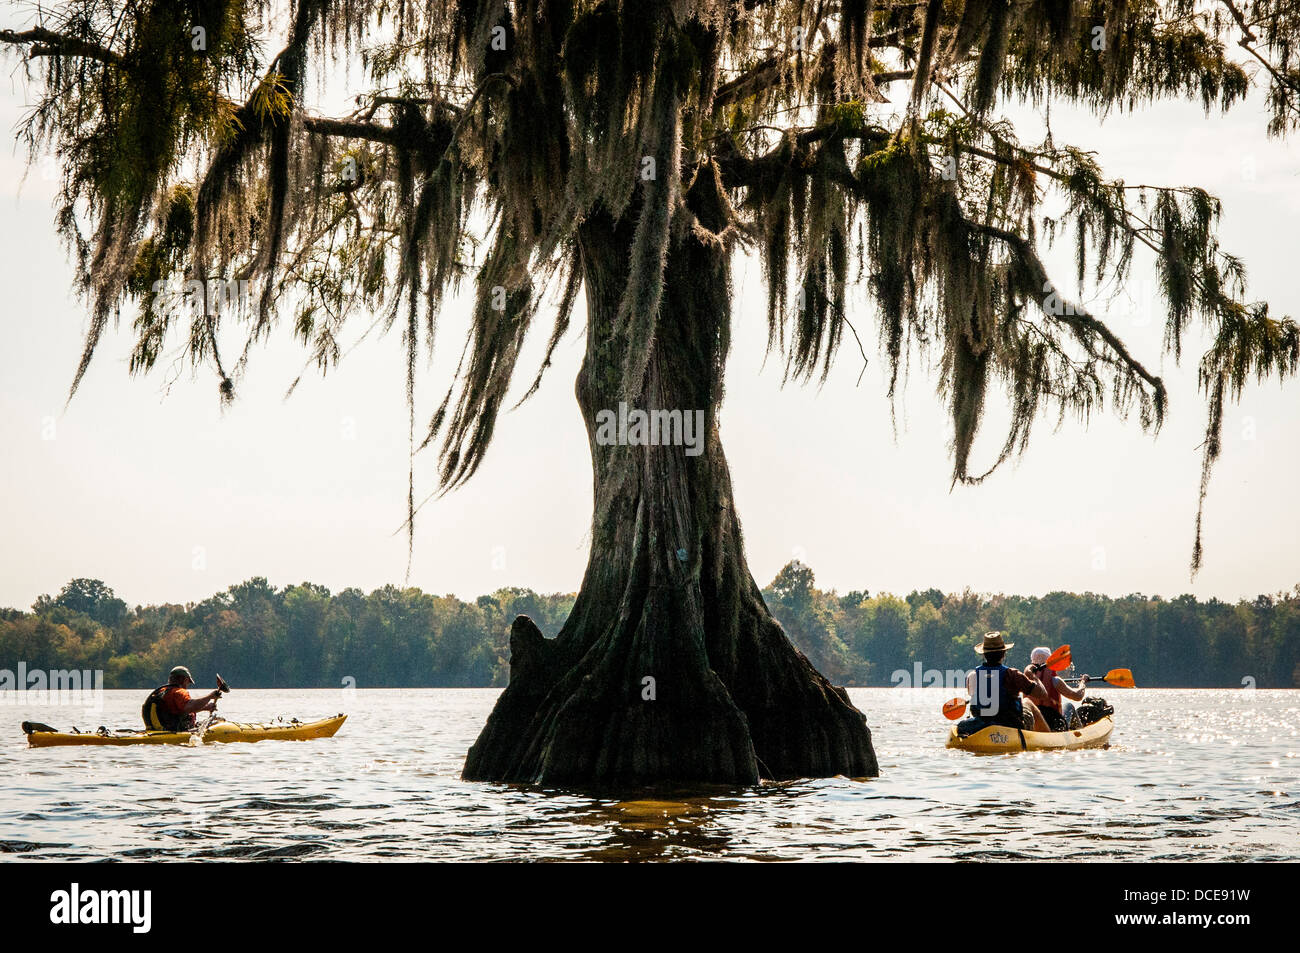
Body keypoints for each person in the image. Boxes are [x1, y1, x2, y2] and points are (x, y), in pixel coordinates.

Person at [962, 632, 1050, 734]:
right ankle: (1048, 738)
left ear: (984, 655)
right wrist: (1032, 675)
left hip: (982, 725)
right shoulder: (1012, 674)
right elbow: (1042, 694)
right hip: (1010, 726)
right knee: (1027, 702)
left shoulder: (972, 676)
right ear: (1004, 654)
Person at [1025, 646, 1088, 731]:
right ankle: (1081, 734)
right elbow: (1077, 696)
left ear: (1032, 660)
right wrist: (1083, 682)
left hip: (1033, 725)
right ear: (1050, 661)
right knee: (1069, 706)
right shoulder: (1055, 680)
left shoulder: (1024, 679)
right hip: (1054, 725)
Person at [141, 666, 220, 731]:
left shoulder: (162, 691)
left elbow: (179, 710)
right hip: (173, 731)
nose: (187, 685)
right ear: (185, 680)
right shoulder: (179, 692)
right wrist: (210, 696)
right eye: (188, 682)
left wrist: (205, 707)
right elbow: (189, 706)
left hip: (157, 730)